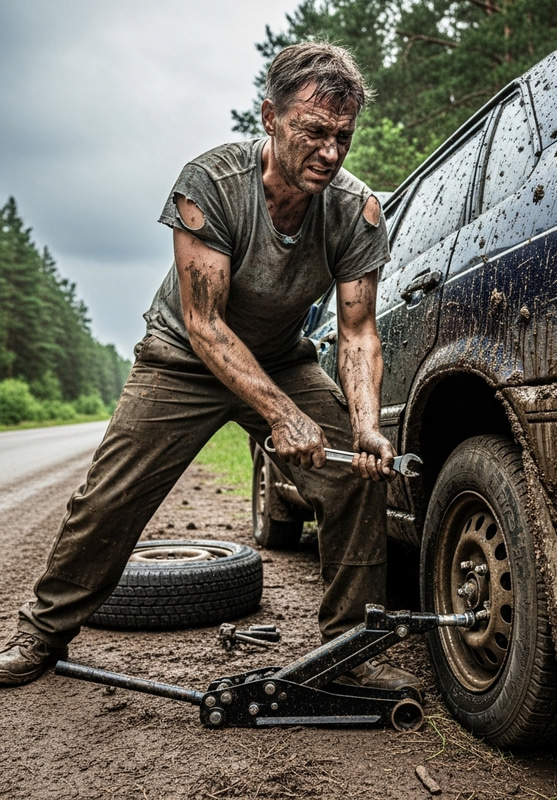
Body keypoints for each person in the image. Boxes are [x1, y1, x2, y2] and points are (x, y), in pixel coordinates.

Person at [0, 41, 421, 695]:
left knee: (357, 479)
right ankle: (42, 632)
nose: (331, 153)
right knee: (110, 498)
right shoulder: (209, 184)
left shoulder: (357, 209)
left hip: (281, 361)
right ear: (270, 117)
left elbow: (359, 332)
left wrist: (364, 425)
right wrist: (281, 417)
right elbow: (205, 324)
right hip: (182, 359)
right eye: (314, 131)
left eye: (343, 136)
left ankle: (345, 651)